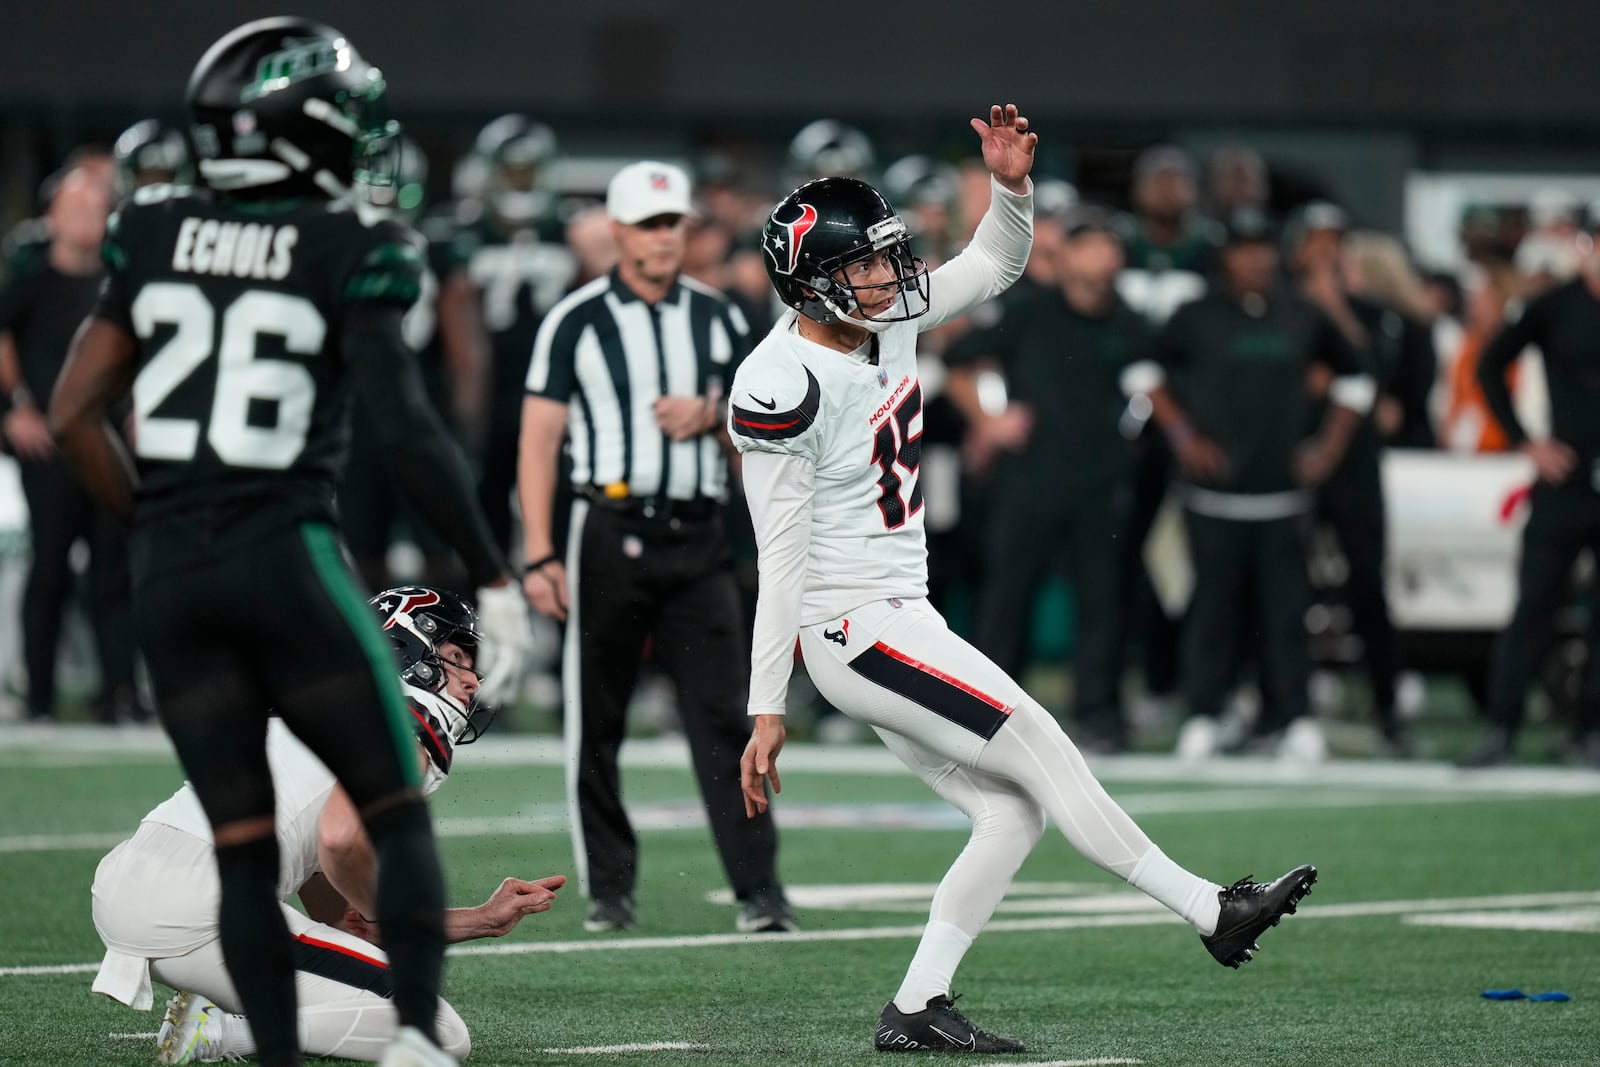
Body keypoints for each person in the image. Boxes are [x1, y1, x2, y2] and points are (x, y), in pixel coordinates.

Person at [733, 104, 1316, 1055]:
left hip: (894, 615)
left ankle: (917, 1006)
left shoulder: (885, 320)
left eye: (887, 257)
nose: (890, 275)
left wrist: (1011, 188)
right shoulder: (780, 381)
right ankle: (1211, 908)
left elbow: (995, 261)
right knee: (1038, 735)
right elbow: (780, 552)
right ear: (813, 282)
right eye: (866, 265)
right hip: (854, 628)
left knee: (1010, 811)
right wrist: (767, 704)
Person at [47, 19, 531, 1067]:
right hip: (284, 548)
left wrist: (155, 531)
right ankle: (231, 1027)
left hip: (176, 578)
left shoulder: (154, 226)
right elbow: (406, 430)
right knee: (427, 1016)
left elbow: (74, 412)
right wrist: (490, 569)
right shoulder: (354, 244)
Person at [91, 587, 564, 1063]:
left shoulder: (306, 700)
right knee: (440, 1032)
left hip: (129, 885)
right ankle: (220, 1034)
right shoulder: (407, 718)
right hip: (202, 908)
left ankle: (209, 992)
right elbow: (341, 840)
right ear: (406, 648)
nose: (473, 682)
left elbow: (341, 923)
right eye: (459, 656)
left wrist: (479, 920)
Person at [518, 159, 794, 935]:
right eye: (648, 223)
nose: (663, 237)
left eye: (674, 223)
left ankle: (759, 887)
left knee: (727, 717)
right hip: (603, 530)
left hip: (696, 534)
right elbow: (538, 440)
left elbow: (759, 423)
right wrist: (538, 551)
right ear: (617, 230)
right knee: (596, 717)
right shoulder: (574, 318)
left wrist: (712, 416)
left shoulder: (721, 315)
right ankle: (610, 887)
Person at [1129, 209, 1373, 762]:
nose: (1255, 258)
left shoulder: (1303, 314)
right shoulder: (1195, 315)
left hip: (1283, 495)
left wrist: (1328, 448)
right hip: (1213, 496)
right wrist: (1183, 434)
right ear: (1225, 255)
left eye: (1263, 246)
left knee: (1286, 613)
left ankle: (1294, 719)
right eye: (1243, 247)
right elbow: (1143, 373)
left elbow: (1357, 378)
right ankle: (1205, 715)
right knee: (1212, 610)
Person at [947, 205, 1152, 751]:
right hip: (1028, 482)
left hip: (1100, 485)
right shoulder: (1031, 313)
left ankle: (1099, 716)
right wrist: (988, 421)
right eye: (1089, 244)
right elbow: (958, 361)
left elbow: (1153, 391)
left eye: (1109, 244)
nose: (1101, 255)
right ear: (1067, 256)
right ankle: (987, 713)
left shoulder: (1131, 323)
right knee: (1006, 600)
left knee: (1102, 604)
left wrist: (1137, 431)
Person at [0, 159, 142, 723]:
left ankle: (120, 695)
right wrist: (17, 408)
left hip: (109, 443)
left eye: (95, 206)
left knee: (115, 570)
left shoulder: (122, 278)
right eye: (76, 206)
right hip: (51, 452)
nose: (86, 217)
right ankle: (37, 696)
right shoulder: (29, 281)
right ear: (52, 215)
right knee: (49, 568)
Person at [1462, 220, 1600, 768]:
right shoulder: (1556, 304)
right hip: (1564, 479)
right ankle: (1501, 726)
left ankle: (1592, 731)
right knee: (1534, 604)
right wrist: (1527, 441)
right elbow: (1490, 364)